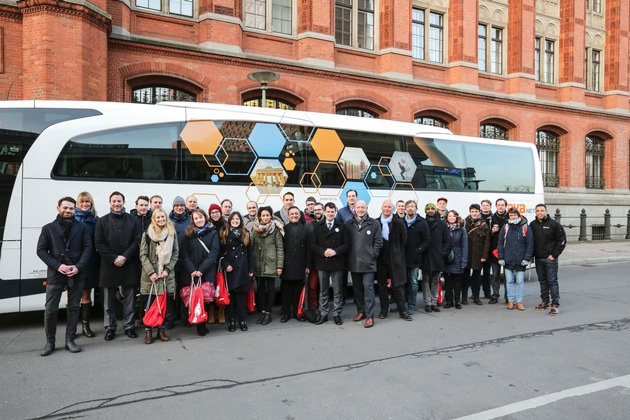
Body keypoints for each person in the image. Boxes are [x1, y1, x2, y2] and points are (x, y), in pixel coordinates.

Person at [37, 197, 92, 356]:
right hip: (56, 273)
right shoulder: (48, 228)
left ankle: (70, 340)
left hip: (76, 273)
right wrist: (58, 266)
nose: (68, 211)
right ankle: (50, 342)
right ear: (58, 208)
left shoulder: (81, 228)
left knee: (74, 307)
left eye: (71, 208)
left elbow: (88, 248)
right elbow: (41, 250)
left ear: (75, 210)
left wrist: (78, 267)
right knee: (50, 310)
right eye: (65, 208)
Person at [95, 191, 142, 341]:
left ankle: (129, 326)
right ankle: (110, 328)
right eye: (114, 201)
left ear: (124, 202)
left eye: (119, 201)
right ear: (110, 203)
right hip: (109, 265)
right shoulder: (101, 221)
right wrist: (114, 258)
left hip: (129, 263)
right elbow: (99, 244)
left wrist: (125, 257)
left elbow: (137, 240)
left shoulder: (133, 220)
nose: (117, 204)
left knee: (130, 299)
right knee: (109, 300)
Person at [139, 208, 179, 344]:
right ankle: (148, 332)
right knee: (149, 305)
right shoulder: (147, 234)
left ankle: (161, 331)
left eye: (163, 217)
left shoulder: (172, 233)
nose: (161, 219)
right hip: (150, 276)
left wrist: (167, 269)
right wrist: (151, 272)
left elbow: (175, 253)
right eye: (158, 218)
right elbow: (143, 255)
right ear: (154, 219)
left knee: (163, 305)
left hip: (165, 275)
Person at [181, 209, 220, 334]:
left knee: (207, 297)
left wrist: (201, 270)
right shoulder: (188, 233)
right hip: (192, 271)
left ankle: (203, 321)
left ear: (205, 217)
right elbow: (184, 254)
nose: (199, 220)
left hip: (207, 270)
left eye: (201, 217)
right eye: (196, 218)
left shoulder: (213, 232)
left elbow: (214, 253)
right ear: (193, 220)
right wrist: (192, 270)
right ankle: (199, 323)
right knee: (195, 297)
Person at [345, 200, 383, 328]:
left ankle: (370, 316)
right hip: (353, 263)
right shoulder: (348, 224)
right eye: (358, 207)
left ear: (367, 208)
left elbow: (378, 241)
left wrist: (373, 254)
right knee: (357, 289)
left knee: (368, 288)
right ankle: (360, 311)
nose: (360, 209)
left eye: (363, 207)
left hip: (368, 263)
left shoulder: (374, 223)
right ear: (354, 209)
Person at [312, 202, 347, 325]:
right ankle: (324, 313)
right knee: (323, 290)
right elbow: (313, 244)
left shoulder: (341, 226)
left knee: (337, 290)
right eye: (328, 211)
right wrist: (323, 252)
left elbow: (347, 245)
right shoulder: (318, 226)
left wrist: (335, 251)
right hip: (323, 262)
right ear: (324, 212)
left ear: (335, 212)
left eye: (332, 211)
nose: (330, 213)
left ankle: (337, 313)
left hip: (337, 262)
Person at [376, 200, 412, 321]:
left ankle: (403, 311)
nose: (387, 209)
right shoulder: (375, 222)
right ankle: (384, 310)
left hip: (395, 259)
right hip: (380, 259)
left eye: (389, 207)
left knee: (398, 286)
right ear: (381, 208)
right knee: (382, 287)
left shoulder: (399, 223)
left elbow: (404, 240)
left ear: (393, 209)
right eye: (385, 206)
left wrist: (397, 251)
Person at [219, 212, 255, 332]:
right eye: (233, 219)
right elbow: (220, 253)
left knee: (241, 298)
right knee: (231, 298)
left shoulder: (246, 234)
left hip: (243, 269)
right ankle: (232, 321)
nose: (235, 221)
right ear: (229, 220)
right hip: (230, 269)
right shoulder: (224, 233)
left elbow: (250, 253)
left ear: (241, 221)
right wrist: (226, 264)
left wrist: (251, 269)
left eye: (237, 219)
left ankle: (242, 320)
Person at [530, 204, 566, 316]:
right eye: (537, 211)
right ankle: (545, 301)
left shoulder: (554, 224)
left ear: (546, 211)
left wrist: (554, 255)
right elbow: (531, 241)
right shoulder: (533, 224)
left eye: (542, 210)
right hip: (538, 258)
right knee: (542, 281)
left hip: (550, 259)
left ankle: (555, 305)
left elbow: (562, 240)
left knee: (552, 281)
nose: (539, 212)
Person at [250, 206, 284, 325]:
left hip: (271, 263)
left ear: (271, 216)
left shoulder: (276, 230)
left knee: (270, 289)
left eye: (267, 215)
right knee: (260, 289)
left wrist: (279, 266)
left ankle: (268, 313)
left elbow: (280, 249)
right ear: (260, 216)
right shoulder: (254, 230)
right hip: (258, 263)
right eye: (263, 215)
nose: (265, 217)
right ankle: (263, 312)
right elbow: (251, 247)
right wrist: (251, 266)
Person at [74, 191, 100, 338]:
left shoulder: (96, 220)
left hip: (90, 263)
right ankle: (72, 327)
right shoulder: (72, 219)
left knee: (86, 295)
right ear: (78, 204)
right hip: (74, 263)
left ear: (91, 204)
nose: (85, 204)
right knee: (72, 297)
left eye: (87, 202)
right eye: (82, 202)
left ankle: (85, 325)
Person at [498, 207, 534, 311]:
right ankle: (510, 301)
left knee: (519, 281)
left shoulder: (525, 227)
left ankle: (519, 301)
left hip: (521, 259)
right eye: (510, 215)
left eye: (514, 215)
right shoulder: (506, 227)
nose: (512, 217)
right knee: (509, 281)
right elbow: (500, 242)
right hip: (508, 259)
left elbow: (530, 244)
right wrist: (501, 257)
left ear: (518, 215)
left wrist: (527, 258)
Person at [281, 206, 311, 322]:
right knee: (286, 291)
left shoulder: (305, 229)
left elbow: (308, 249)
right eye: (292, 214)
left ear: (299, 215)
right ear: (288, 216)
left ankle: (296, 312)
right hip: (287, 264)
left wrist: (308, 265)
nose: (294, 215)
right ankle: (286, 313)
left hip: (300, 264)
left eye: (296, 214)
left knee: (298, 290)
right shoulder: (283, 229)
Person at [422, 202, 452, 312]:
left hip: (437, 256)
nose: (430, 210)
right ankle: (427, 303)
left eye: (432, 209)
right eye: (428, 208)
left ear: (435, 210)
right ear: (425, 211)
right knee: (425, 280)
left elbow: (448, 241)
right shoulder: (422, 222)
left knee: (435, 280)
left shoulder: (442, 224)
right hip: (425, 256)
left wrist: (442, 253)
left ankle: (434, 302)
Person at [404, 200, 431, 314]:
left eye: (412, 207)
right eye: (408, 207)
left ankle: (411, 305)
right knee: (402, 282)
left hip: (415, 258)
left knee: (413, 282)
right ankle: (402, 304)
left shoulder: (422, 223)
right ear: (405, 209)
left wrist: (418, 250)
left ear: (416, 209)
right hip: (402, 258)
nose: (410, 208)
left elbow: (427, 240)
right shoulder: (401, 222)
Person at [169, 196, 191, 328]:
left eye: (181, 205)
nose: (179, 207)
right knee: (171, 292)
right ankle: (170, 319)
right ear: (173, 207)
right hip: (171, 263)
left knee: (184, 291)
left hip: (186, 262)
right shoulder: (167, 220)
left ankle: (184, 317)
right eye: (177, 205)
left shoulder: (190, 220)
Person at [463, 203, 490, 306]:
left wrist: (484, 256)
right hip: (467, 255)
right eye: (472, 211)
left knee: (477, 278)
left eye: (476, 211)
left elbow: (487, 242)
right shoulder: (464, 223)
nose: (474, 214)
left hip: (478, 255)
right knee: (465, 277)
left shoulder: (483, 224)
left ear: (479, 212)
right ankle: (464, 297)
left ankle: (476, 297)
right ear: (470, 212)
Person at [443, 210, 468, 309]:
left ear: (457, 217)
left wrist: (464, 261)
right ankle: (449, 301)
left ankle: (457, 301)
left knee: (457, 283)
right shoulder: (444, 229)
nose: (451, 218)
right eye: (449, 216)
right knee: (448, 283)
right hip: (447, 258)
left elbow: (465, 247)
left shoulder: (462, 230)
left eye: (453, 216)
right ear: (446, 218)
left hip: (458, 258)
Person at [489, 198, 509, 304]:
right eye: (499, 205)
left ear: (506, 206)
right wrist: (492, 232)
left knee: (507, 276)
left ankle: (507, 296)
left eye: (502, 205)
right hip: (494, 250)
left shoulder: (510, 216)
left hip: (507, 250)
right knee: (495, 275)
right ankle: (495, 295)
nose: (500, 206)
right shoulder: (491, 218)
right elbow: (487, 235)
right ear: (496, 206)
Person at [480, 199, 494, 299]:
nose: (485, 207)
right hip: (478, 248)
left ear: (490, 207)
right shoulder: (477, 217)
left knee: (487, 272)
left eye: (487, 205)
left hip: (489, 248)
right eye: (483, 205)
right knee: (476, 272)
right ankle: (474, 293)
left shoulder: (493, 218)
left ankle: (487, 292)